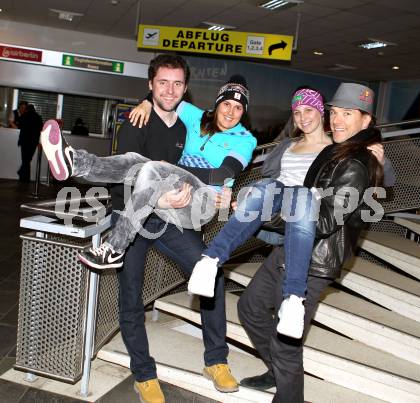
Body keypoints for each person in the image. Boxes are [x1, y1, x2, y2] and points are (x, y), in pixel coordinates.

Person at [40, 54, 256, 402]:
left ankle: (216, 360)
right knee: (130, 297)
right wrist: (157, 195)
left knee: (209, 276)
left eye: (177, 84)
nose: (169, 90)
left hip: (176, 214)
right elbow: (124, 180)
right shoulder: (141, 121)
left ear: (186, 90)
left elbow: (217, 174)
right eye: (162, 83)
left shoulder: (192, 123)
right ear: (151, 85)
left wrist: (202, 191)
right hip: (134, 214)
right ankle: (143, 373)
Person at [235, 83, 387, 402]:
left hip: (316, 260)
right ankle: (277, 371)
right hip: (292, 247)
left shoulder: (357, 162)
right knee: (250, 307)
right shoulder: (336, 149)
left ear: (366, 120)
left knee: (285, 340)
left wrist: (261, 214)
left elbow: (325, 219)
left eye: (348, 114)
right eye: (335, 113)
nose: (339, 120)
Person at [41, 74, 256, 271]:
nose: (230, 112)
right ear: (218, 103)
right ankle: (74, 163)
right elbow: (165, 97)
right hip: (174, 188)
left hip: (203, 200)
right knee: (135, 160)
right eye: (227, 104)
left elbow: (222, 175)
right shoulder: (196, 116)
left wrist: (170, 168)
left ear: (244, 111)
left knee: (152, 167)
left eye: (238, 108)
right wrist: (145, 102)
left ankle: (115, 247)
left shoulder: (246, 139)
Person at [188, 88, 332, 339]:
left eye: (308, 110)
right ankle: (210, 261)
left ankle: (294, 299)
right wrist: (246, 203)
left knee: (303, 198)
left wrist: (376, 153)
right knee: (263, 188)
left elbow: (378, 173)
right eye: (297, 112)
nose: (303, 117)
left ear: (320, 112)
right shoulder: (289, 144)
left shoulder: (335, 148)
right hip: (277, 194)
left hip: (305, 204)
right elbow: (268, 177)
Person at [17, 104, 43, 182]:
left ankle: (23, 176)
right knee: (28, 159)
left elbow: (19, 125)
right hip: (33, 142)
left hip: (24, 141)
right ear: (34, 109)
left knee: (25, 159)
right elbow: (41, 128)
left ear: (27, 109)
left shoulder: (23, 116)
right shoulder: (38, 117)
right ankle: (24, 177)